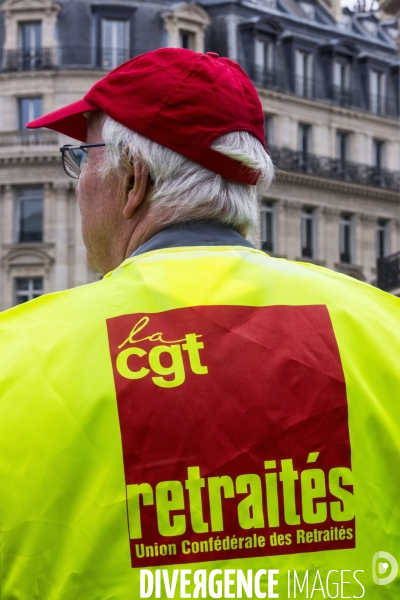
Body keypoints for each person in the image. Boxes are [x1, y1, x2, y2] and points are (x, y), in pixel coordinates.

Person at [0, 47, 398, 599]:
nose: (76, 184)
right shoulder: (386, 333)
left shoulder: (15, 359)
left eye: (82, 159)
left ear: (132, 179)